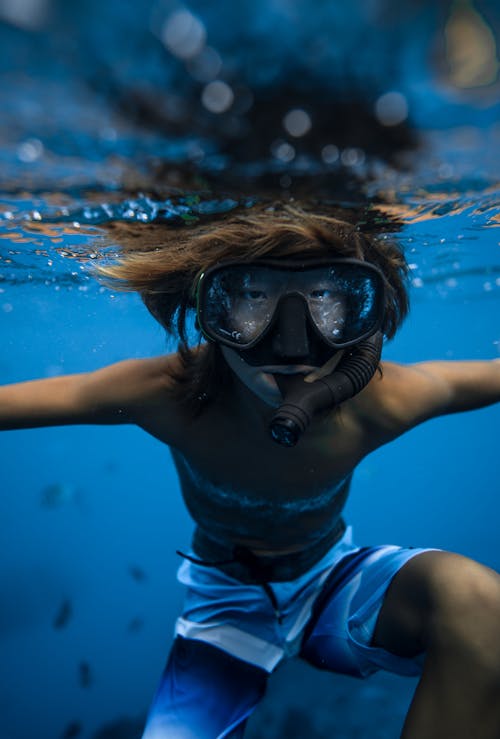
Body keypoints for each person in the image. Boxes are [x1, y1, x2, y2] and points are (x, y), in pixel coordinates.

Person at [1, 204, 500, 739]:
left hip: (334, 581)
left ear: (365, 315)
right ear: (206, 309)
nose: (291, 343)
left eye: (325, 296)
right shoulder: (166, 395)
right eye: (251, 297)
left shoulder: (382, 401)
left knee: (477, 602)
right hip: (223, 612)